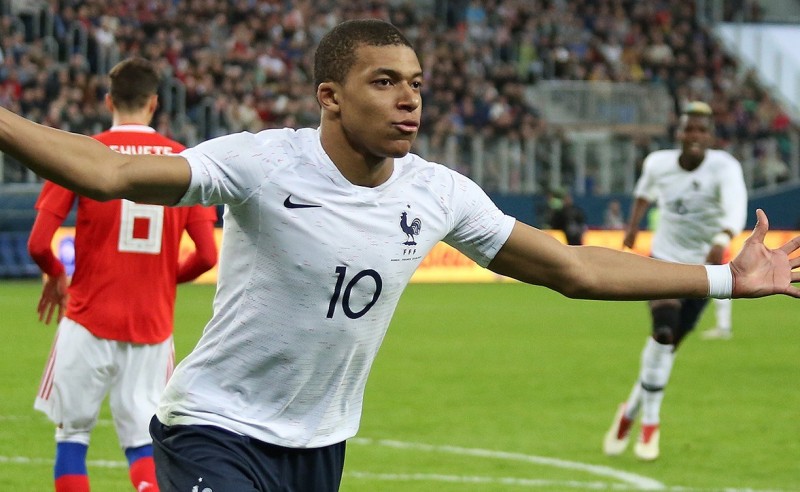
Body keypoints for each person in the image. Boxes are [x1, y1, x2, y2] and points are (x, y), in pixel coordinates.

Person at [0, 21, 797, 491]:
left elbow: (573, 267)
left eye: (415, 81)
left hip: (321, 445)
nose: (410, 97)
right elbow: (106, 171)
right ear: (330, 97)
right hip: (215, 426)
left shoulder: (437, 192)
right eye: (384, 81)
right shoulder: (260, 162)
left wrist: (730, 276)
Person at [26, 57, 218, 492]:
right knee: (141, 444)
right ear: (154, 104)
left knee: (72, 437)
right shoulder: (182, 161)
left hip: (88, 318)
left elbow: (38, 242)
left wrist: (56, 274)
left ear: (109, 100)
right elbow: (207, 255)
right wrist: (162, 280)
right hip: (151, 327)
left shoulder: (80, 153)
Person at [602, 101, 748, 461]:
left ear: (709, 135)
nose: (694, 136)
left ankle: (629, 412)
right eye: (689, 129)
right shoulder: (658, 163)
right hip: (663, 261)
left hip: (703, 270)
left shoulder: (724, 168)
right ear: (679, 133)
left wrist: (720, 240)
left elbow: (735, 206)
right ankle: (651, 424)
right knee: (663, 333)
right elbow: (644, 191)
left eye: (701, 130)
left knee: (666, 352)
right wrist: (633, 227)